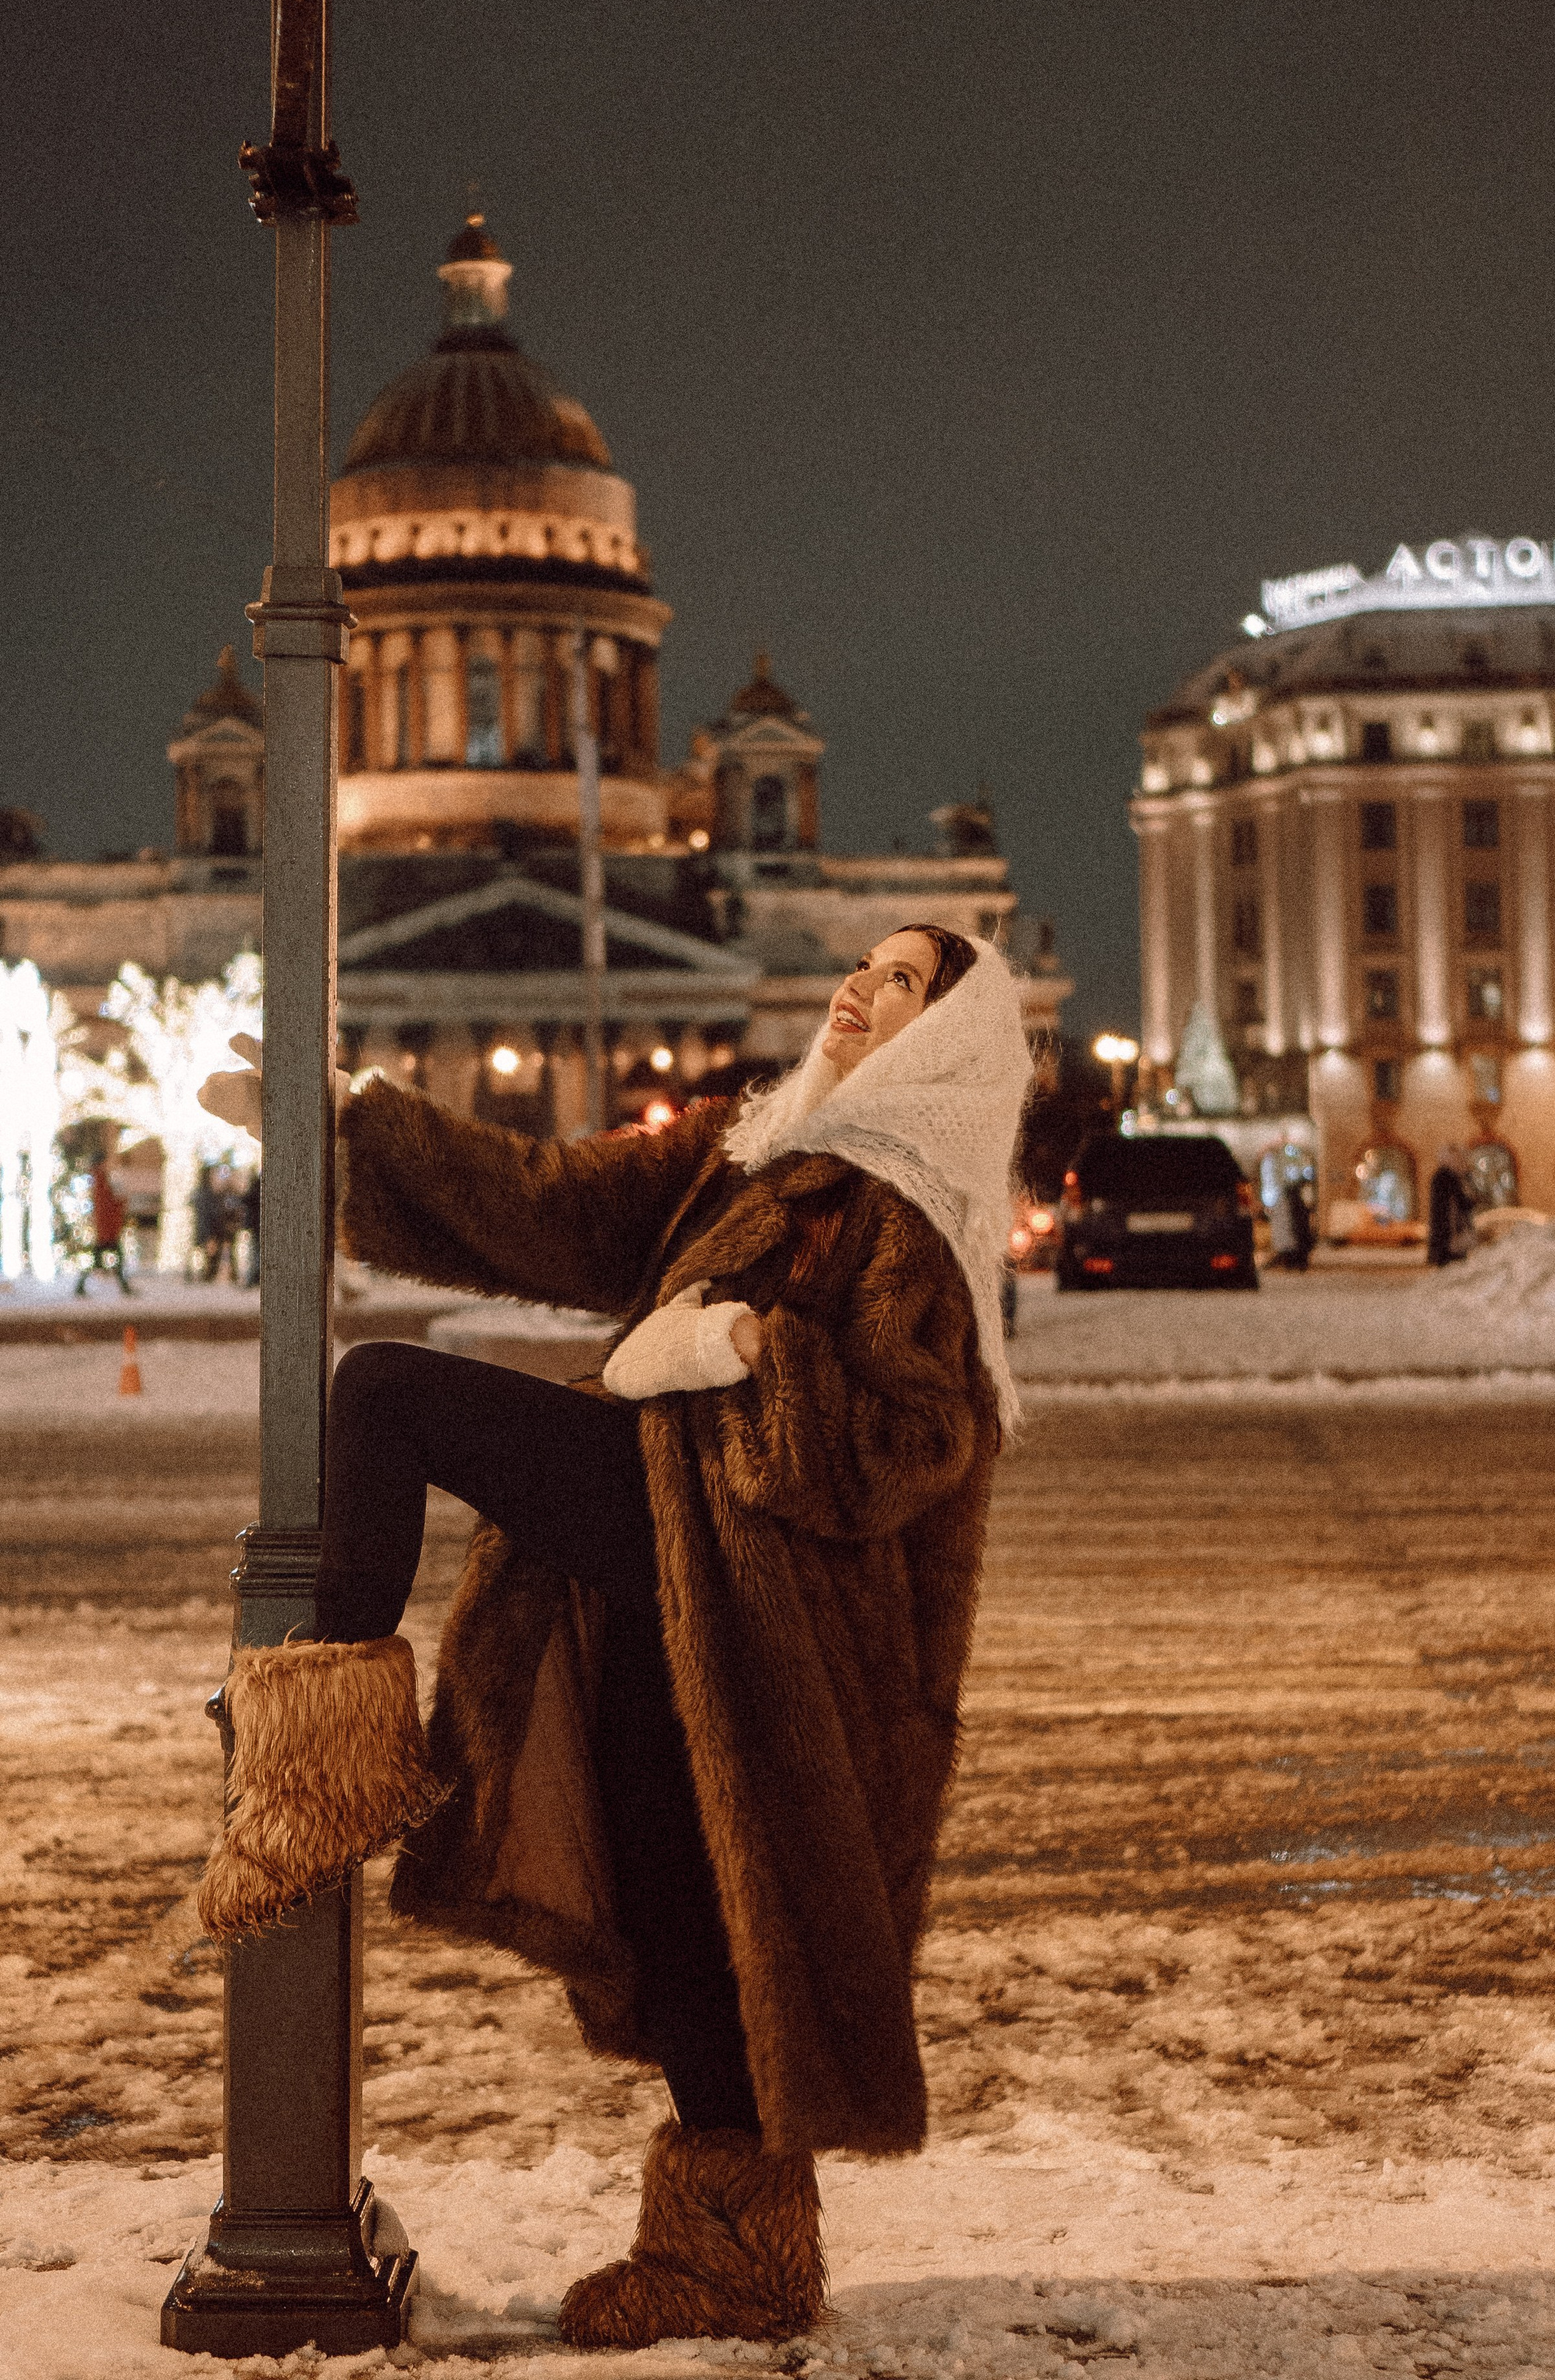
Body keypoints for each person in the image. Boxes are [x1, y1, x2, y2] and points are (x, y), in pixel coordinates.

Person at [196, 925, 1032, 2351]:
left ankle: (317, 1750)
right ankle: (731, 2263)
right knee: (689, 1907)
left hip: (767, 1602)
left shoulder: (911, 1201)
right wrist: (347, 1124)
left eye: (901, 983)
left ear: (950, 1038)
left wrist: (740, 1355)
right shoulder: (753, 1149)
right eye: (862, 963)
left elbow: (907, 1442)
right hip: (675, 1577)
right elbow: (541, 1203)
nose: (856, 985)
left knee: (389, 1393)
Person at [75, 1150, 134, 1297]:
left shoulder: (98, 1179)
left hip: (105, 1229)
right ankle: (124, 1288)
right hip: (107, 1229)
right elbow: (107, 1205)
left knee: (102, 1260)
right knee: (111, 1260)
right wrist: (121, 1203)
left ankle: (81, 1286)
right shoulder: (101, 1179)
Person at [1427, 1147, 1475, 1267]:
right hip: (1452, 1231)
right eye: (1457, 1159)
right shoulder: (1449, 1177)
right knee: (1454, 1265)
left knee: (1447, 1265)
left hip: (1444, 1232)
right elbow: (1465, 1203)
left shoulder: (1440, 1177)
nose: (1460, 1161)